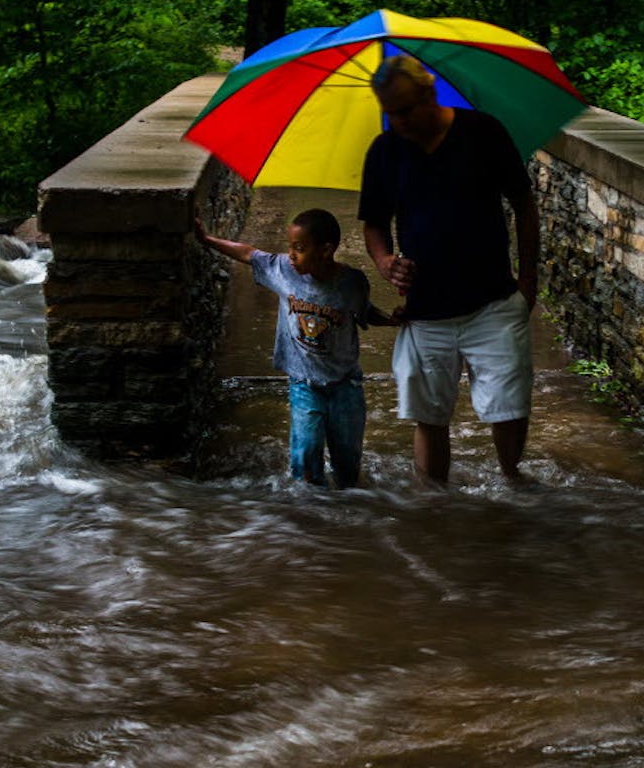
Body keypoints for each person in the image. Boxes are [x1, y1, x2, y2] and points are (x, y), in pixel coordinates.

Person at [358, 54, 539, 485]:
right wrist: (385, 262)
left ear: (428, 93)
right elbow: (374, 224)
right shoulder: (385, 151)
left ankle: (513, 483)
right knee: (429, 414)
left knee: (509, 407)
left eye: (404, 110)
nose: (396, 121)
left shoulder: (483, 132)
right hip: (425, 310)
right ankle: (434, 508)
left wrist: (528, 281)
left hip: (492, 299)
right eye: (388, 112)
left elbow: (524, 204)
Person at [195, 208, 393, 488]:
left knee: (347, 465)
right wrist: (207, 240)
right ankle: (309, 518)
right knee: (305, 459)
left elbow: (364, 312)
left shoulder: (352, 283)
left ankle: (346, 518)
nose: (291, 254)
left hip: (345, 385)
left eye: (299, 248)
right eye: (290, 247)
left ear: (326, 250)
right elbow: (248, 254)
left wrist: (393, 321)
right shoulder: (283, 271)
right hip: (304, 383)